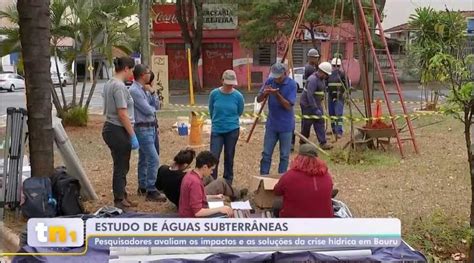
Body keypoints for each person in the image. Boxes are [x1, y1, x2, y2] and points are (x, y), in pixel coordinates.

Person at [102, 56, 138, 211]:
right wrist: (132, 135)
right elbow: (122, 113)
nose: (132, 74)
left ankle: (122, 195)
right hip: (117, 128)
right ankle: (119, 199)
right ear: (126, 69)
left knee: (122, 164)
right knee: (121, 165)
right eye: (132, 70)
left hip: (111, 127)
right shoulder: (119, 86)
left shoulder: (109, 83)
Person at [156, 149, 247, 208]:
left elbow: (159, 187)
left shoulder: (162, 169)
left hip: (179, 198)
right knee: (221, 182)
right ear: (184, 165)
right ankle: (236, 195)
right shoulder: (186, 178)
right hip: (185, 202)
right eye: (188, 166)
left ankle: (218, 193)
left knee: (208, 177)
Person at [129, 64, 165, 202]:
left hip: (151, 127)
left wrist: (152, 92)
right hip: (142, 127)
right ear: (143, 75)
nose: (150, 75)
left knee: (144, 158)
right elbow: (148, 110)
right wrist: (153, 106)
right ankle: (151, 188)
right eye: (148, 72)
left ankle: (142, 185)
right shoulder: (135, 91)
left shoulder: (145, 89)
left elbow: (156, 106)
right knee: (153, 158)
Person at [257, 62, 297, 175]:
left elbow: (288, 106)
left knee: (284, 155)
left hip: (286, 126)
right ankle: (263, 178)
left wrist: (276, 95)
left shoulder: (292, 84)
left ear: (284, 73)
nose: (276, 80)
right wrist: (265, 93)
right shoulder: (270, 81)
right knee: (266, 153)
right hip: (272, 124)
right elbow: (258, 99)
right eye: (275, 77)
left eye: (279, 77)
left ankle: (282, 179)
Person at [273, 143, 334, 218]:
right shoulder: (326, 176)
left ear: (298, 158)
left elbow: (277, 191)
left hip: (295, 221)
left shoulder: (289, 176)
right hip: (324, 221)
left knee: (276, 203)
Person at [208, 70, 244, 185]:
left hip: (232, 130)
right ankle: (212, 182)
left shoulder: (238, 96)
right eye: (227, 83)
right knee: (214, 157)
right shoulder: (214, 94)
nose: (229, 86)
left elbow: (239, 111)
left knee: (229, 156)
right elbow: (211, 110)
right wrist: (216, 121)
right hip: (217, 130)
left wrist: (231, 121)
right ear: (222, 81)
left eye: (231, 84)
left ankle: (227, 181)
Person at [178, 151, 234, 218]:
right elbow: (198, 212)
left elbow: (197, 198)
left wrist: (214, 197)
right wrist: (220, 209)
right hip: (192, 218)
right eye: (211, 169)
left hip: (187, 213)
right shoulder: (195, 183)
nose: (212, 172)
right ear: (204, 167)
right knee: (228, 213)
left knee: (226, 207)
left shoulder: (190, 174)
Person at [292, 48, 321, 151]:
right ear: (311, 58)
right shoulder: (310, 68)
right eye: (315, 58)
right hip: (308, 100)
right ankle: (303, 141)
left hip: (311, 98)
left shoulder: (311, 67)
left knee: (313, 121)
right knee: (306, 123)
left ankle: (320, 140)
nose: (317, 59)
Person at [300, 62, 333, 150]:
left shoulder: (321, 79)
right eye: (326, 74)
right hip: (307, 105)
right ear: (321, 72)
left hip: (317, 104)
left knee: (320, 122)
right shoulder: (312, 80)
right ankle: (303, 142)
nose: (326, 76)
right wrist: (315, 109)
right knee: (307, 124)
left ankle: (323, 142)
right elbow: (310, 96)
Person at [327, 58, 347, 139]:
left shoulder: (342, 74)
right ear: (332, 66)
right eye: (334, 66)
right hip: (331, 97)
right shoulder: (328, 75)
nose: (336, 67)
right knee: (331, 114)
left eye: (337, 66)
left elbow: (347, 86)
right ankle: (333, 129)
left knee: (338, 114)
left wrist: (345, 94)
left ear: (340, 66)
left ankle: (339, 131)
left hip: (339, 97)